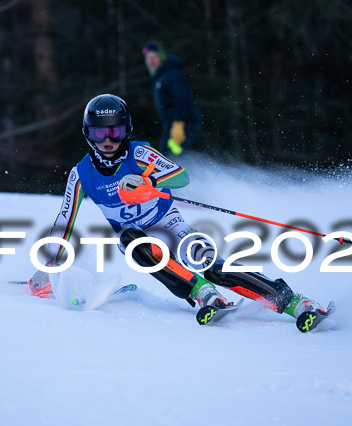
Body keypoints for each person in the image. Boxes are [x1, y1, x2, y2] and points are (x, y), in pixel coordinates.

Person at [28, 94, 328, 328]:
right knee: (131, 240)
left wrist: (150, 181)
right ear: (87, 134)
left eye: (116, 132)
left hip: (169, 223)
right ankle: (201, 293)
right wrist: (49, 264)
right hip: (137, 239)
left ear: (127, 131)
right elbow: (64, 222)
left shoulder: (140, 153)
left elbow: (181, 176)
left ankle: (294, 302)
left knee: (210, 263)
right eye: (99, 133)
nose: (107, 141)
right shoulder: (81, 174)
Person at [142, 41, 201, 157]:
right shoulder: (160, 76)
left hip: (182, 123)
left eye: (153, 57)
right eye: (148, 58)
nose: (150, 61)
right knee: (165, 155)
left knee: (173, 156)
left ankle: (186, 172)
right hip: (171, 125)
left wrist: (178, 122)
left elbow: (182, 98)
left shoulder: (171, 74)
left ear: (161, 57)